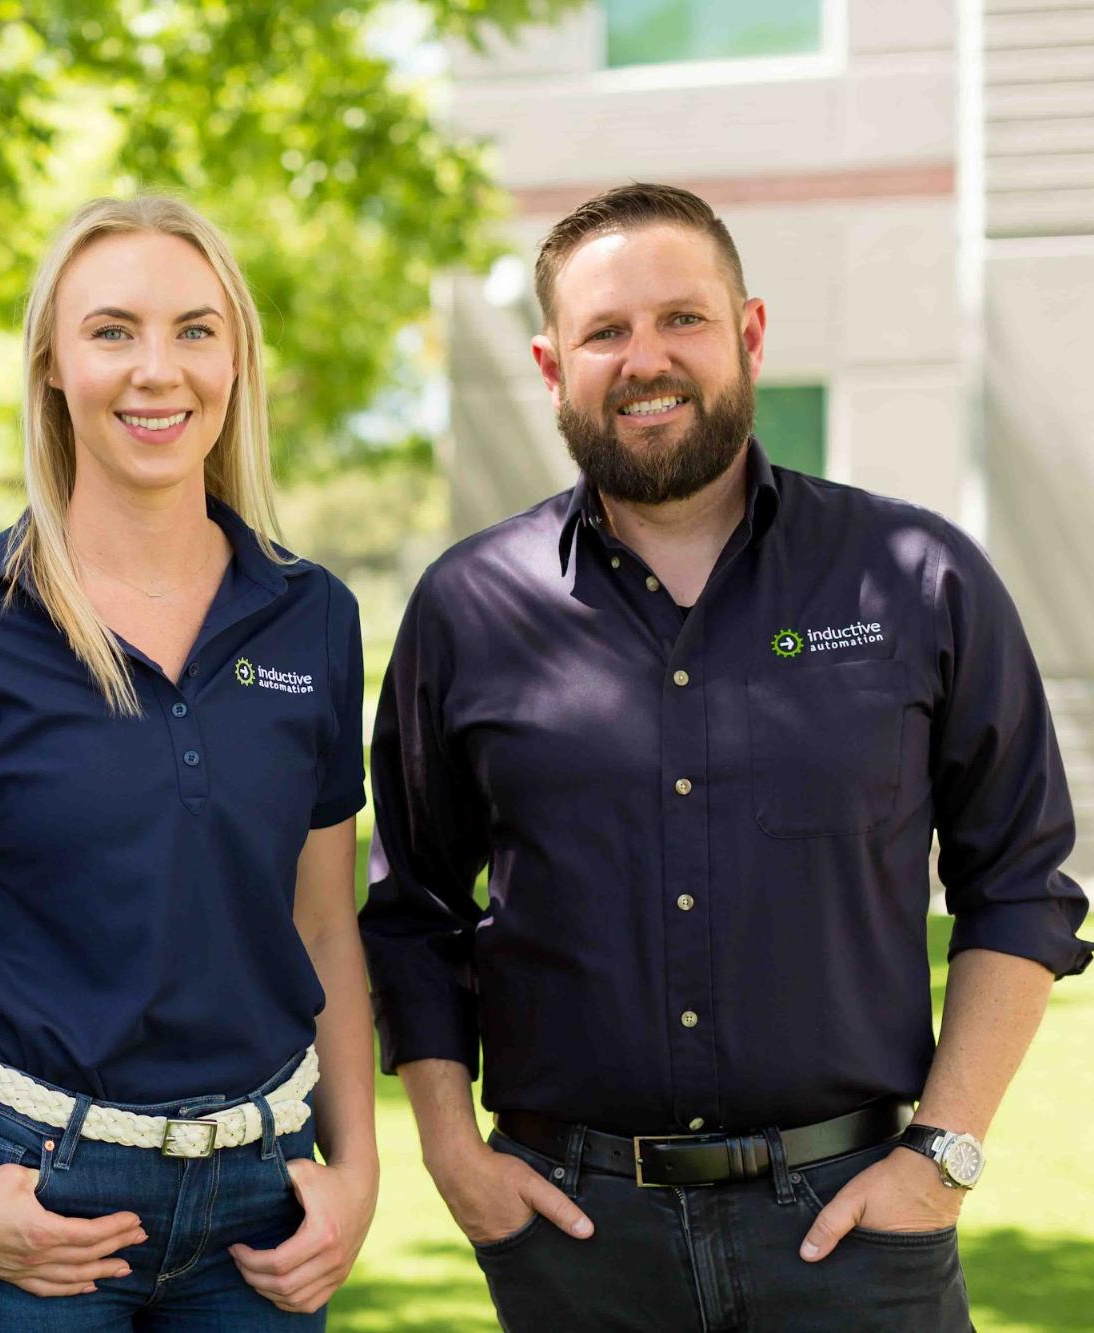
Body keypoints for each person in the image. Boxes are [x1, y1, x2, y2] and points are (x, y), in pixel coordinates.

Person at [359, 180, 1091, 1332]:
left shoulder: (914, 576)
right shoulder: (466, 608)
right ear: (553, 367)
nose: (645, 358)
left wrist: (940, 1159)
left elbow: (1018, 886)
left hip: (855, 1228)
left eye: (680, 319)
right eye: (605, 331)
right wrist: (454, 1156)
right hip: (575, 1239)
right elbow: (412, 912)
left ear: (747, 335)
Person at [0, 195, 378, 1329]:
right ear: (50, 361)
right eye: (111, 331)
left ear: (235, 356)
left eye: (195, 329)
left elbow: (327, 926)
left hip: (263, 1208)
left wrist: (358, 1171)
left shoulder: (313, 619)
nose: (157, 371)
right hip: (32, 1194)